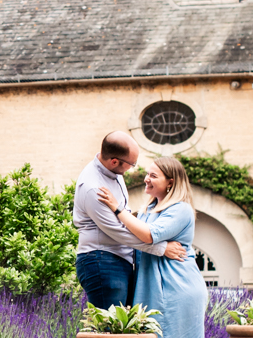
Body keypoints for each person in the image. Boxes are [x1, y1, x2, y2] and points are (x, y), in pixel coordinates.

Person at [97, 156, 207, 338]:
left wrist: (117, 208)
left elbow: (146, 235)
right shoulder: (148, 209)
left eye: (153, 175)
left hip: (179, 289)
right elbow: (139, 238)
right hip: (155, 287)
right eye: (147, 174)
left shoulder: (180, 209)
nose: (146, 178)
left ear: (170, 182)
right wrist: (161, 248)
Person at [74, 131, 187, 312]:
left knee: (123, 329)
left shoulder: (114, 172)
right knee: (110, 330)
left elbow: (124, 216)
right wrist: (161, 248)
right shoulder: (92, 187)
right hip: (102, 260)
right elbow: (119, 232)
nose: (132, 169)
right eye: (131, 164)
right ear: (114, 161)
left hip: (118, 260)